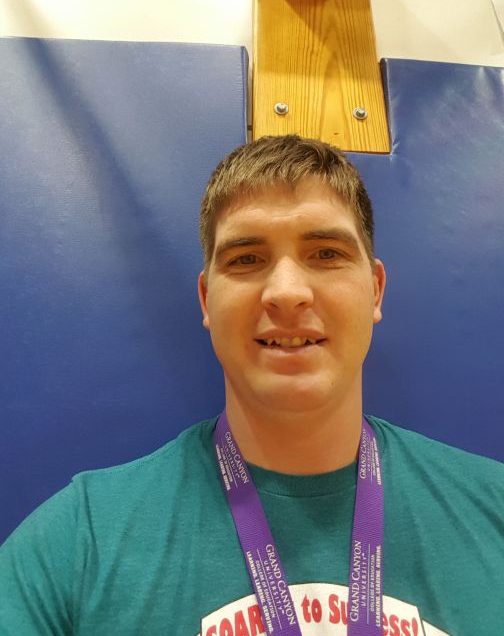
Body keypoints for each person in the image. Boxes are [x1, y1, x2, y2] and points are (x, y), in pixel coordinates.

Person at [0, 135, 503, 636]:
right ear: (206, 299)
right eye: (245, 259)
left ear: (375, 290)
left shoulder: (493, 509)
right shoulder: (79, 541)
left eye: (326, 253)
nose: (287, 292)